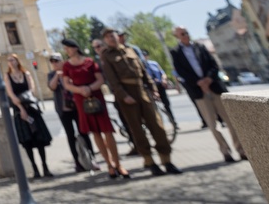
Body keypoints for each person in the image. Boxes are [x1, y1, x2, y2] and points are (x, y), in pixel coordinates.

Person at [99, 28, 182, 177]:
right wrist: (124, 96)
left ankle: (167, 161)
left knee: (157, 126)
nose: (111, 38)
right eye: (108, 37)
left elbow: (143, 71)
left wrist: (153, 88)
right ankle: (150, 162)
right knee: (137, 130)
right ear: (105, 40)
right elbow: (112, 80)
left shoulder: (130, 50)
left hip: (142, 91)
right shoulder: (106, 56)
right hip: (127, 95)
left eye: (113, 35)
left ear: (117, 37)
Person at [169, 27, 247, 162]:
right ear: (177, 36)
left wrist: (209, 79)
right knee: (212, 124)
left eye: (187, 32)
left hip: (215, 87)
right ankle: (225, 151)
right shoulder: (176, 52)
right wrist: (198, 82)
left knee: (231, 121)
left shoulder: (200, 47)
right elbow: (181, 72)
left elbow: (214, 65)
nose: (186, 35)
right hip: (199, 91)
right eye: (182, 34)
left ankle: (241, 150)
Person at [60, 38, 129, 179]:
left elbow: (100, 79)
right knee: (95, 132)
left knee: (107, 131)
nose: (66, 50)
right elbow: (67, 84)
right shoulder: (67, 65)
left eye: (67, 47)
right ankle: (109, 164)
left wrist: (89, 88)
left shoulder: (89, 61)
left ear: (74, 48)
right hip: (81, 99)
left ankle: (118, 164)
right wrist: (80, 90)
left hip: (96, 96)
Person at [5, 54, 53, 178]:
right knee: (27, 141)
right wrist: (22, 109)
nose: (11, 62)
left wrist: (27, 105)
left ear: (17, 61)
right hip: (19, 110)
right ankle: (35, 169)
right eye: (9, 60)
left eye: (13, 60)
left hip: (31, 108)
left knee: (40, 139)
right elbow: (11, 94)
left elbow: (31, 90)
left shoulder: (26, 74)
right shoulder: (7, 76)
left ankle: (45, 166)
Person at [47, 53, 95, 173]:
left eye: (57, 61)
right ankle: (78, 162)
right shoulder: (51, 74)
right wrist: (57, 77)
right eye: (52, 61)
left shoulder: (69, 71)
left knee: (84, 132)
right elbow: (52, 87)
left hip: (77, 108)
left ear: (62, 61)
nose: (54, 63)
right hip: (63, 110)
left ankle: (91, 158)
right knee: (70, 136)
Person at [141, 50, 177, 128]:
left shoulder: (154, 63)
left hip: (160, 86)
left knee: (166, 104)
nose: (144, 57)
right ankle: (159, 125)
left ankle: (173, 122)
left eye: (145, 55)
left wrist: (164, 79)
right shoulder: (140, 66)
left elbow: (162, 72)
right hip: (150, 88)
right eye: (142, 55)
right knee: (154, 107)